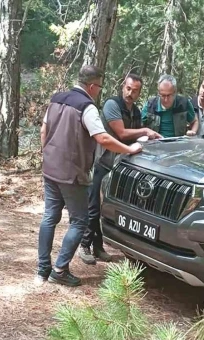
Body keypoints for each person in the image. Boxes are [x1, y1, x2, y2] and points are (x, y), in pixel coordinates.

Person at [37, 65, 143, 286]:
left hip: (50, 168)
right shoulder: (87, 107)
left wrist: (46, 152)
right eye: (100, 86)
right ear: (92, 86)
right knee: (79, 221)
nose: (99, 91)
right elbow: (102, 138)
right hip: (72, 173)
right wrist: (129, 149)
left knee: (49, 217)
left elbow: (43, 130)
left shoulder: (57, 98)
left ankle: (42, 269)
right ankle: (60, 269)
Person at [78, 74, 162, 265]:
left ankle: (98, 247)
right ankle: (84, 245)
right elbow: (121, 132)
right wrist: (145, 131)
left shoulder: (136, 112)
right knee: (93, 207)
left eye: (135, 90)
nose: (130, 93)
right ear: (123, 86)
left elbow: (133, 138)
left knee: (107, 207)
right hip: (102, 163)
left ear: (140, 92)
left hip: (121, 168)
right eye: (128, 88)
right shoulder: (112, 105)